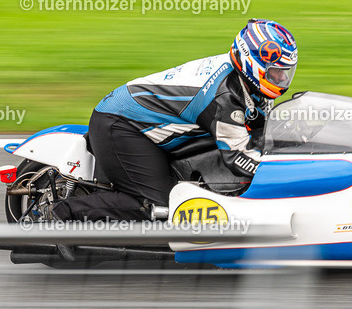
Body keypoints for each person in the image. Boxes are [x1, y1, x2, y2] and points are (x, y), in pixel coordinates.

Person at [48, 19, 298, 221]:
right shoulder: (224, 97)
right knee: (157, 204)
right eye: (275, 72)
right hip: (122, 125)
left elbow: (263, 126)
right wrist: (286, 175)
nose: (281, 79)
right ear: (252, 64)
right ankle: (61, 215)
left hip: (145, 118)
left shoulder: (242, 79)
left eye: (284, 72)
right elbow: (237, 158)